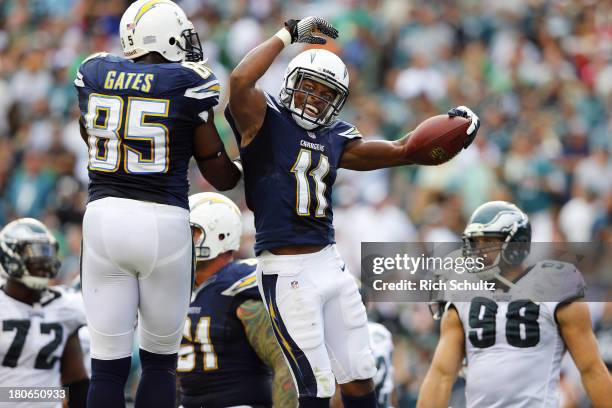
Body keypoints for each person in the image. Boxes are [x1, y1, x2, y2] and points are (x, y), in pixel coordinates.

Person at [225, 16, 480, 408]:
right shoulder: (263, 119)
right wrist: (288, 34)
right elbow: (241, 81)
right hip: (286, 270)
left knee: (361, 377)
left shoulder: (335, 137)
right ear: (291, 83)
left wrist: (454, 128)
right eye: (308, 86)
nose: (314, 98)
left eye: (325, 94)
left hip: (330, 262)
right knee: (315, 387)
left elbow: (403, 150)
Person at [73, 1, 241, 407]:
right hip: (162, 223)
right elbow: (219, 175)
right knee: (160, 364)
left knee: (107, 368)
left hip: (103, 219)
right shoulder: (189, 81)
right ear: (164, 36)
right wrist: (243, 163)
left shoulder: (93, 71)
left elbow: (90, 136)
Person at [417, 201, 612, 408]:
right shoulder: (462, 294)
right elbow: (441, 375)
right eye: (476, 243)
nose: (479, 251)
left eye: (488, 241)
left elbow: (591, 369)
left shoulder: (555, 286)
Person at [177, 192, 297, 408]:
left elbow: (284, 362)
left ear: (220, 235)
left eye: (192, 233)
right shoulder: (178, 289)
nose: (182, 241)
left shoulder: (239, 285)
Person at [0, 218, 89, 408]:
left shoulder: (65, 307)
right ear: (8, 256)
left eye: (46, 252)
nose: (42, 260)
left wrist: (52, 397)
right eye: (32, 253)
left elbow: (76, 383)